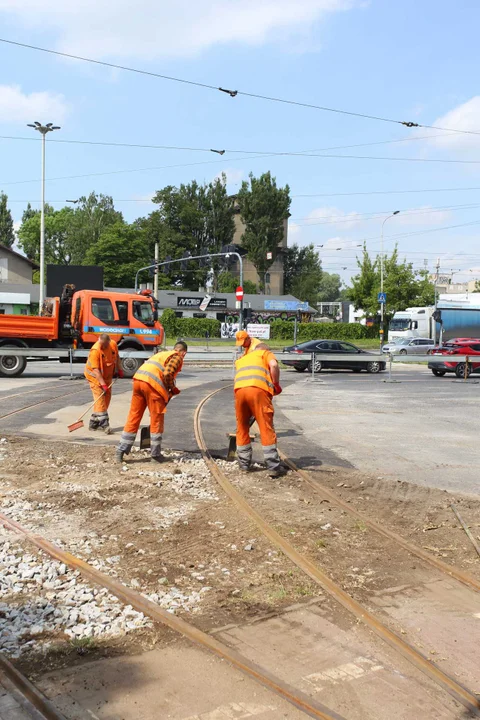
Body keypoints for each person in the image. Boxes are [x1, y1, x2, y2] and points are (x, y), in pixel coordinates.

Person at [116, 341, 188, 463]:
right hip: (152, 386)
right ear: (183, 352)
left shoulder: (162, 354)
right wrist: (172, 388)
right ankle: (155, 455)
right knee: (156, 418)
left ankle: (120, 451)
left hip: (138, 380)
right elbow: (168, 373)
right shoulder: (177, 356)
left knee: (134, 415)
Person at [234, 342, 286, 478]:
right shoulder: (265, 353)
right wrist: (276, 384)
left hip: (239, 391)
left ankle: (244, 464)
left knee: (242, 426)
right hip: (258, 391)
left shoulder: (243, 359)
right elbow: (274, 365)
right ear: (265, 349)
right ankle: (273, 466)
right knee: (265, 426)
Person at [84, 333, 121, 434]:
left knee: (107, 398)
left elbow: (116, 356)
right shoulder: (95, 351)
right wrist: (103, 385)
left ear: (108, 342)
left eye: (105, 345)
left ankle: (94, 423)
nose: (103, 347)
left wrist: (119, 368)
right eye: (102, 344)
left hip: (107, 377)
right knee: (100, 399)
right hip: (95, 378)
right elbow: (96, 370)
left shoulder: (113, 344)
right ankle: (105, 424)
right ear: (98, 340)